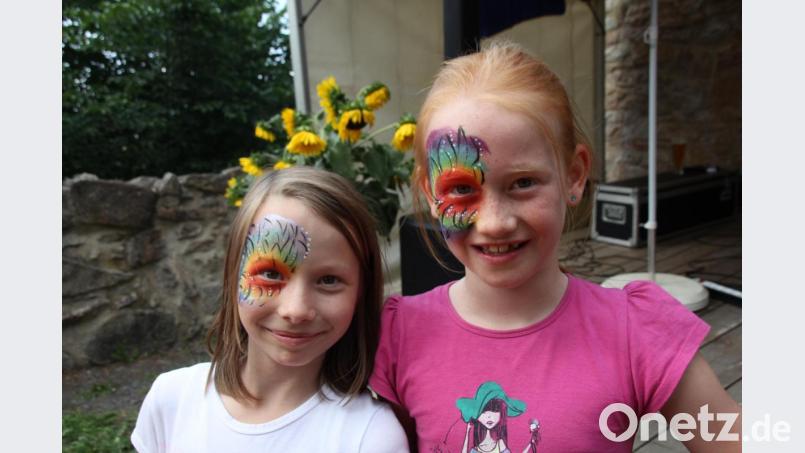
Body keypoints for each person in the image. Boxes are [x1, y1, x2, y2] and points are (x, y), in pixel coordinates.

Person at [369, 41, 741, 452]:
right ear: (429, 192)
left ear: (575, 175)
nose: (495, 222)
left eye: (524, 183)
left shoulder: (634, 331)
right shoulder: (398, 338)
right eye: (460, 189)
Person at [131, 167, 409, 452]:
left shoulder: (371, 437)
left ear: (361, 292)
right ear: (233, 275)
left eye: (328, 280)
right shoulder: (172, 401)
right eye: (271, 274)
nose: (296, 310)